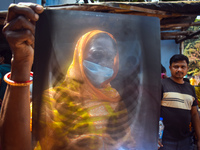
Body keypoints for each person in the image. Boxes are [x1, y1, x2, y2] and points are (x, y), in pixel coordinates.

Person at [0, 3, 135, 150]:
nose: (104, 63)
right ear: (79, 55)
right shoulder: (52, 99)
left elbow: (127, 143)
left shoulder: (114, 98)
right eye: (97, 54)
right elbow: (13, 146)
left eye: (110, 58)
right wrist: (21, 63)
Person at [159, 54, 200, 150]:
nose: (179, 70)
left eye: (183, 67)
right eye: (176, 67)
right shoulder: (162, 85)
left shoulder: (190, 88)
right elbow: (153, 111)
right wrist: (154, 136)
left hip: (186, 140)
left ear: (187, 69)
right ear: (170, 68)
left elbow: (194, 114)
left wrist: (199, 139)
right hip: (165, 140)